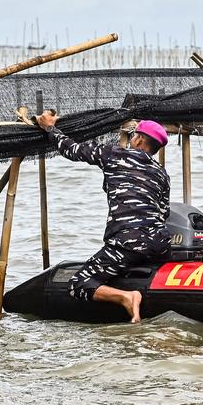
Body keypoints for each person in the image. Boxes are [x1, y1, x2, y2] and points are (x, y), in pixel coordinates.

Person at [35, 114, 171, 322]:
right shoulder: (162, 174)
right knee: (133, 258)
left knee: (79, 283)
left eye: (134, 135)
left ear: (139, 140)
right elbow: (164, 213)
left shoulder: (115, 154)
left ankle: (127, 296)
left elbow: (72, 150)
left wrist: (50, 129)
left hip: (128, 242)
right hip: (160, 243)